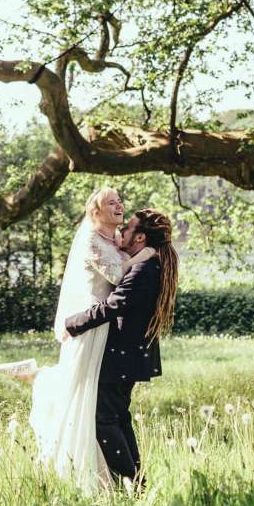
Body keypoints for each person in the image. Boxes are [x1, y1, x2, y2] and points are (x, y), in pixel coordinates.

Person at [0, 188, 155, 494]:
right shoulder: (91, 240)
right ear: (96, 212)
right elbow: (117, 275)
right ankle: (38, 376)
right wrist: (144, 255)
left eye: (119, 200)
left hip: (106, 329)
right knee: (78, 387)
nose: (119, 204)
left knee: (90, 395)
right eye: (111, 202)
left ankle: (37, 374)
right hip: (92, 324)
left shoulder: (114, 238)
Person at [64, 208, 179, 490]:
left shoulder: (144, 268)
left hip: (122, 357)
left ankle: (131, 484)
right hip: (128, 356)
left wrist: (73, 323)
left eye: (128, 228)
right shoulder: (148, 263)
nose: (122, 231)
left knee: (104, 419)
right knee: (118, 417)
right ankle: (136, 484)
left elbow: (114, 305)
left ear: (140, 237)